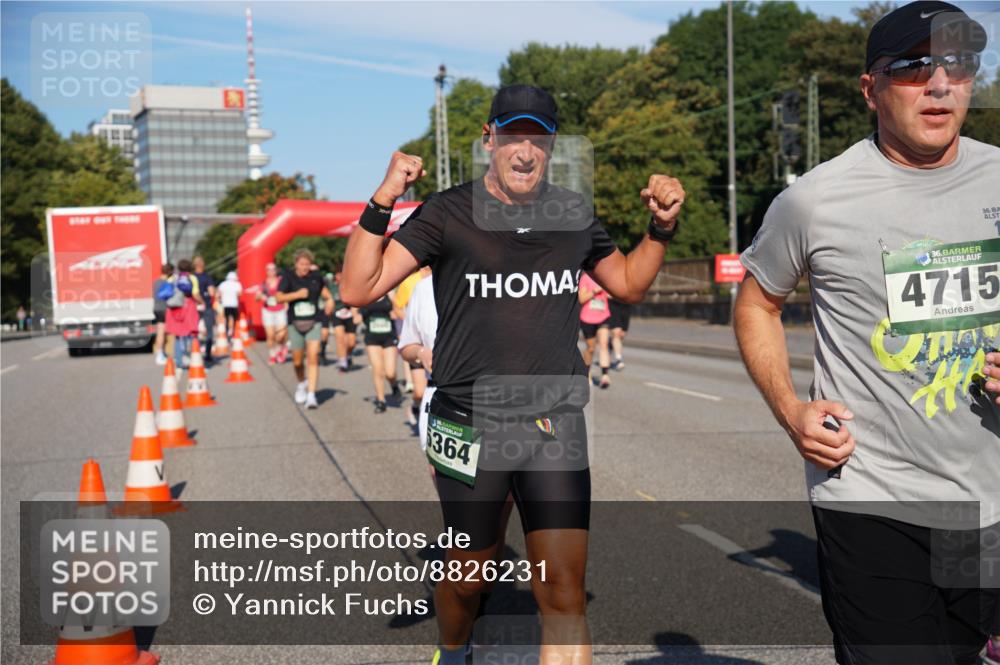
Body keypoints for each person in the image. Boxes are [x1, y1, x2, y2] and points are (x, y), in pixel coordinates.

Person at [341, 83, 683, 665]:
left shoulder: (573, 214)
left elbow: (626, 282)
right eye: (512, 137)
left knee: (565, 591)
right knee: (469, 576)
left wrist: (660, 230)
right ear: (488, 139)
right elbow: (357, 288)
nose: (525, 152)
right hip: (467, 421)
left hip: (554, 423)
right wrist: (383, 198)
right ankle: (454, 649)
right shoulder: (447, 211)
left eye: (539, 140)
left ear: (552, 146)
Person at [734, 4, 998, 663]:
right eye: (913, 68)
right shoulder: (815, 199)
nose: (940, 84)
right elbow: (756, 302)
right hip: (872, 494)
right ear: (869, 89)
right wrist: (791, 408)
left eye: (959, 65)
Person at [277, 249, 333, 409]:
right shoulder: (288, 277)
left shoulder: (316, 277)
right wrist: (296, 295)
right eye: (302, 264)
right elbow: (278, 297)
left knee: (313, 357)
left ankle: (311, 395)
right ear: (296, 264)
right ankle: (302, 383)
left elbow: (326, 294)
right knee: (297, 362)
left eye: (307, 264)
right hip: (294, 323)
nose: (305, 267)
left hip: (313, 322)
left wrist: (329, 301)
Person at [399, 267, 436, 439]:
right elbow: (397, 307)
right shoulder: (416, 284)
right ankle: (417, 406)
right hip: (419, 348)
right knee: (419, 392)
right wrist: (421, 352)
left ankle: (417, 407)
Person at [360, 292, 401, 413]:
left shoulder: (390, 293)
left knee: (390, 372)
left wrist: (396, 311)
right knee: (377, 369)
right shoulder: (365, 293)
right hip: (372, 337)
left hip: (389, 336)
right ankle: (381, 400)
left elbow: (399, 312)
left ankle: (394, 385)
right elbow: (356, 312)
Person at [164, 259, 202, 370]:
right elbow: (195, 294)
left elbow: (167, 294)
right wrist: (202, 302)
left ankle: (179, 361)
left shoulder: (172, 278)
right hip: (189, 306)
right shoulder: (192, 278)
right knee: (190, 333)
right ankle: (191, 358)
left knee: (177, 335)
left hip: (175, 308)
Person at [394, 269, 426, 393]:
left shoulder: (445, 277)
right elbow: (397, 306)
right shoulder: (409, 282)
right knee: (420, 391)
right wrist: (411, 324)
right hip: (415, 332)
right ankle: (409, 381)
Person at [578, 272, 612, 389]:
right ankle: (586, 373)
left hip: (603, 316)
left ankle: (605, 375)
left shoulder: (605, 277)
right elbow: (581, 299)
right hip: (588, 318)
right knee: (591, 349)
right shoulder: (585, 278)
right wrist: (594, 292)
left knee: (604, 344)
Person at [255, 263, 288, 364]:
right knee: (270, 335)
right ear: (266, 271)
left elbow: (286, 293)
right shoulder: (263, 284)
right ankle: (272, 355)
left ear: (276, 270)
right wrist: (260, 297)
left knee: (281, 334)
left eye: (273, 269)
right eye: (269, 270)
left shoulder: (281, 281)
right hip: (268, 311)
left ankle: (281, 348)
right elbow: (256, 297)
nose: (271, 272)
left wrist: (286, 303)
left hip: (280, 310)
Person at [330, 269, 359, 372]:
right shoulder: (332, 287)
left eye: (342, 274)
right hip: (337, 315)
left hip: (350, 315)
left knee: (351, 342)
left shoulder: (351, 286)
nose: (340, 277)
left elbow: (357, 300)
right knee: (340, 338)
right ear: (335, 276)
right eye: (338, 274)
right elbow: (329, 300)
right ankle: (342, 362)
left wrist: (355, 312)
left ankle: (348, 355)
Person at [191, 256, 216, 366]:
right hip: (206, 305)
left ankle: (194, 352)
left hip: (193, 307)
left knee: (193, 330)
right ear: (202, 265)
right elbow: (211, 293)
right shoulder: (207, 277)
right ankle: (208, 354)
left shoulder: (190, 278)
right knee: (209, 330)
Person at [152, 263, 174, 365]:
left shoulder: (156, 282)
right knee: (162, 332)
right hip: (164, 308)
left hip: (156, 308)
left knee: (161, 331)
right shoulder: (168, 282)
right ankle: (160, 354)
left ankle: (162, 353)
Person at [217, 270, 243, 338]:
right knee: (234, 319)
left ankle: (227, 331)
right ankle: (234, 332)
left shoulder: (223, 284)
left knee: (227, 318)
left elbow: (219, 293)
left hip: (225, 304)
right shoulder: (237, 284)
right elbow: (240, 294)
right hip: (234, 304)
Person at [607, 298, 631, 370]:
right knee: (617, 333)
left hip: (626, 304)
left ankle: (610, 345)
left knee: (621, 334)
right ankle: (618, 359)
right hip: (612, 303)